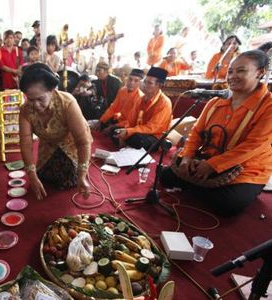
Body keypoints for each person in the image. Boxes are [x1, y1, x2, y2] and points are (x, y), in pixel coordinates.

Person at [162, 50, 271, 216]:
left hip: (246, 169)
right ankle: (198, 185)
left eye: (241, 71)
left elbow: (253, 146)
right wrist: (187, 157)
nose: (232, 76)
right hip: (207, 158)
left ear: (260, 72)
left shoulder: (268, 106)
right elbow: (196, 133)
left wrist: (213, 165)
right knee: (165, 176)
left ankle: (198, 186)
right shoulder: (215, 101)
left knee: (227, 204)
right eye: (230, 71)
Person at [18, 63, 93, 200]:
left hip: (71, 147)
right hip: (47, 147)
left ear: (52, 90)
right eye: (30, 99)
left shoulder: (67, 103)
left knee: (69, 180)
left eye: (40, 99)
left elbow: (83, 142)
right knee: (43, 177)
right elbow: (26, 144)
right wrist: (31, 176)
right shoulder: (25, 110)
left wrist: (82, 174)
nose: (35, 105)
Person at [113, 67, 172, 150]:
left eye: (149, 83)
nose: (145, 85)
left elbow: (151, 128)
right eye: (145, 82)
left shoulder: (164, 102)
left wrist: (129, 132)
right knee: (115, 131)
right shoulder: (141, 99)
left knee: (137, 139)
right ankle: (129, 146)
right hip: (139, 131)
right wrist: (125, 130)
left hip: (154, 135)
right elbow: (131, 121)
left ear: (159, 85)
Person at [98, 69, 145, 137]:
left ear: (140, 83)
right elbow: (113, 108)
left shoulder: (140, 97)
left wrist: (112, 127)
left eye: (136, 81)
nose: (132, 82)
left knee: (115, 132)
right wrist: (101, 120)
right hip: (119, 120)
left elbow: (131, 122)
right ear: (127, 79)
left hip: (128, 126)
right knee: (102, 122)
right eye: (130, 79)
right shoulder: (122, 90)